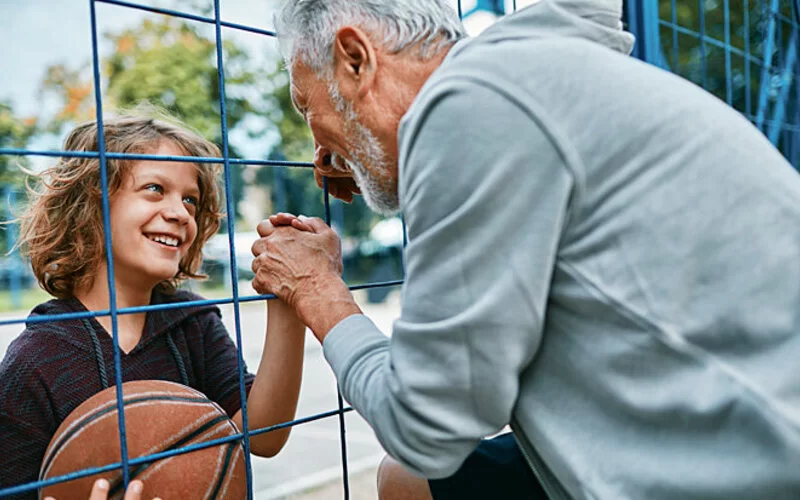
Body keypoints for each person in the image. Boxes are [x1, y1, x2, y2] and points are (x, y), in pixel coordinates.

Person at [250, 0, 800, 499]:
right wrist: (381, 164)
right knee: (408, 482)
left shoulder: (468, 108)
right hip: (735, 425)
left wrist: (317, 291)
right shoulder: (527, 76)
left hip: (763, 462)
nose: (317, 143)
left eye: (305, 105)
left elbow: (426, 427)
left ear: (355, 59)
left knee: (415, 465)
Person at [0, 113, 306, 499]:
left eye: (190, 199)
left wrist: (288, 307)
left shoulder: (192, 322)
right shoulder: (34, 362)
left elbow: (263, 435)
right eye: (155, 189)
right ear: (90, 204)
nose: (180, 213)